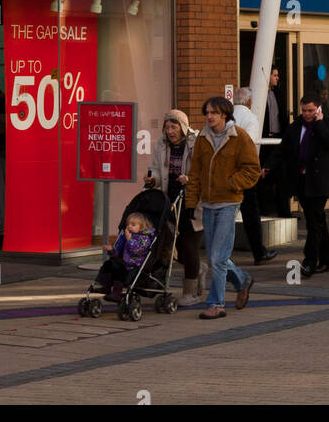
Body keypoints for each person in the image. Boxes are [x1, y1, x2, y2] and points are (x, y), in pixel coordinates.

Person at [183, 97, 260, 319]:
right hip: (207, 203)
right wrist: (191, 203)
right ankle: (243, 280)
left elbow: (252, 170)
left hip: (228, 202)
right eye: (207, 112)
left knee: (217, 257)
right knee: (217, 257)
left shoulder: (239, 137)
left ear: (224, 114)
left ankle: (216, 304)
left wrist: (231, 183)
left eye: (213, 113)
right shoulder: (203, 138)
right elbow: (195, 172)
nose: (209, 117)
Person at [144, 109, 204, 305]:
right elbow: (155, 168)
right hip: (169, 202)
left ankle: (190, 293)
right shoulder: (161, 144)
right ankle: (198, 269)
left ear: (183, 127)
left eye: (174, 126)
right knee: (170, 246)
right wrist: (152, 180)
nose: (170, 131)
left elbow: (204, 171)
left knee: (188, 245)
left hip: (192, 201)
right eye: (167, 127)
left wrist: (190, 179)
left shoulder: (196, 143)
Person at [279, 93, 329, 275]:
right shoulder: (296, 127)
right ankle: (326, 261)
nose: (307, 114)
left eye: (311, 110)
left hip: (320, 181)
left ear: (319, 109)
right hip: (302, 181)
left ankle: (310, 261)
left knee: (314, 221)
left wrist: (319, 123)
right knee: (318, 220)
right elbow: (283, 149)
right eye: (304, 110)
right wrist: (268, 167)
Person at [229, 89, 277, 266]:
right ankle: (258, 251)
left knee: (228, 212)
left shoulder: (226, 115)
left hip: (226, 172)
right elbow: (248, 145)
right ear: (249, 102)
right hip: (244, 172)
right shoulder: (250, 118)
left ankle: (224, 253)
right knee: (251, 212)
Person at [91, 211, 156, 297]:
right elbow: (118, 252)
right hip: (123, 261)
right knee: (108, 264)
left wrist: (129, 240)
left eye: (133, 224)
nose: (129, 226)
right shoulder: (125, 235)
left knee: (119, 268)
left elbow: (137, 251)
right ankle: (105, 287)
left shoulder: (144, 238)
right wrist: (111, 250)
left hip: (133, 264)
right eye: (128, 224)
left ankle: (117, 292)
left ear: (141, 227)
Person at [258, 66, 289, 218]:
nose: (277, 78)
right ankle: (264, 208)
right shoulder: (259, 94)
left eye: (277, 75)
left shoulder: (278, 93)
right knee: (263, 174)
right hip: (263, 140)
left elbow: (281, 115)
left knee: (281, 174)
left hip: (277, 138)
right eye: (275, 75)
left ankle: (284, 210)